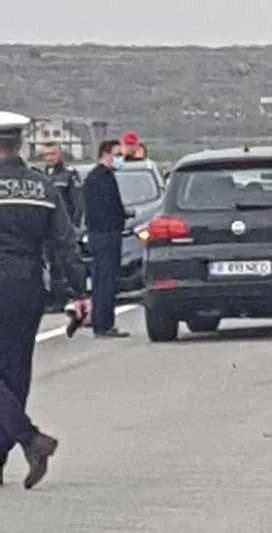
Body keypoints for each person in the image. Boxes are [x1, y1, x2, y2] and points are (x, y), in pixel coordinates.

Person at [0, 112, 90, 489]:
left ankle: (30, 439)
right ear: (19, 144)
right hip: (27, 286)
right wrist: (79, 292)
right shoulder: (43, 187)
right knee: (15, 373)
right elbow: (66, 244)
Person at [83, 140, 133, 339]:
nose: (120, 159)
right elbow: (107, 207)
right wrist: (122, 215)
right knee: (106, 281)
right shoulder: (101, 178)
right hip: (105, 234)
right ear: (106, 154)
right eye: (117, 154)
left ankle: (102, 322)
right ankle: (103, 324)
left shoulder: (97, 177)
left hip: (101, 234)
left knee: (102, 280)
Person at [41, 142, 83, 311]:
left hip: (63, 228)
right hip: (46, 228)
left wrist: (74, 226)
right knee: (50, 264)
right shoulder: (41, 177)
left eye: (52, 154)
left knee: (65, 263)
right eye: (46, 155)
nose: (49, 158)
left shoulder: (68, 176)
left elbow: (77, 203)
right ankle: (53, 298)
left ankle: (67, 297)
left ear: (60, 154)